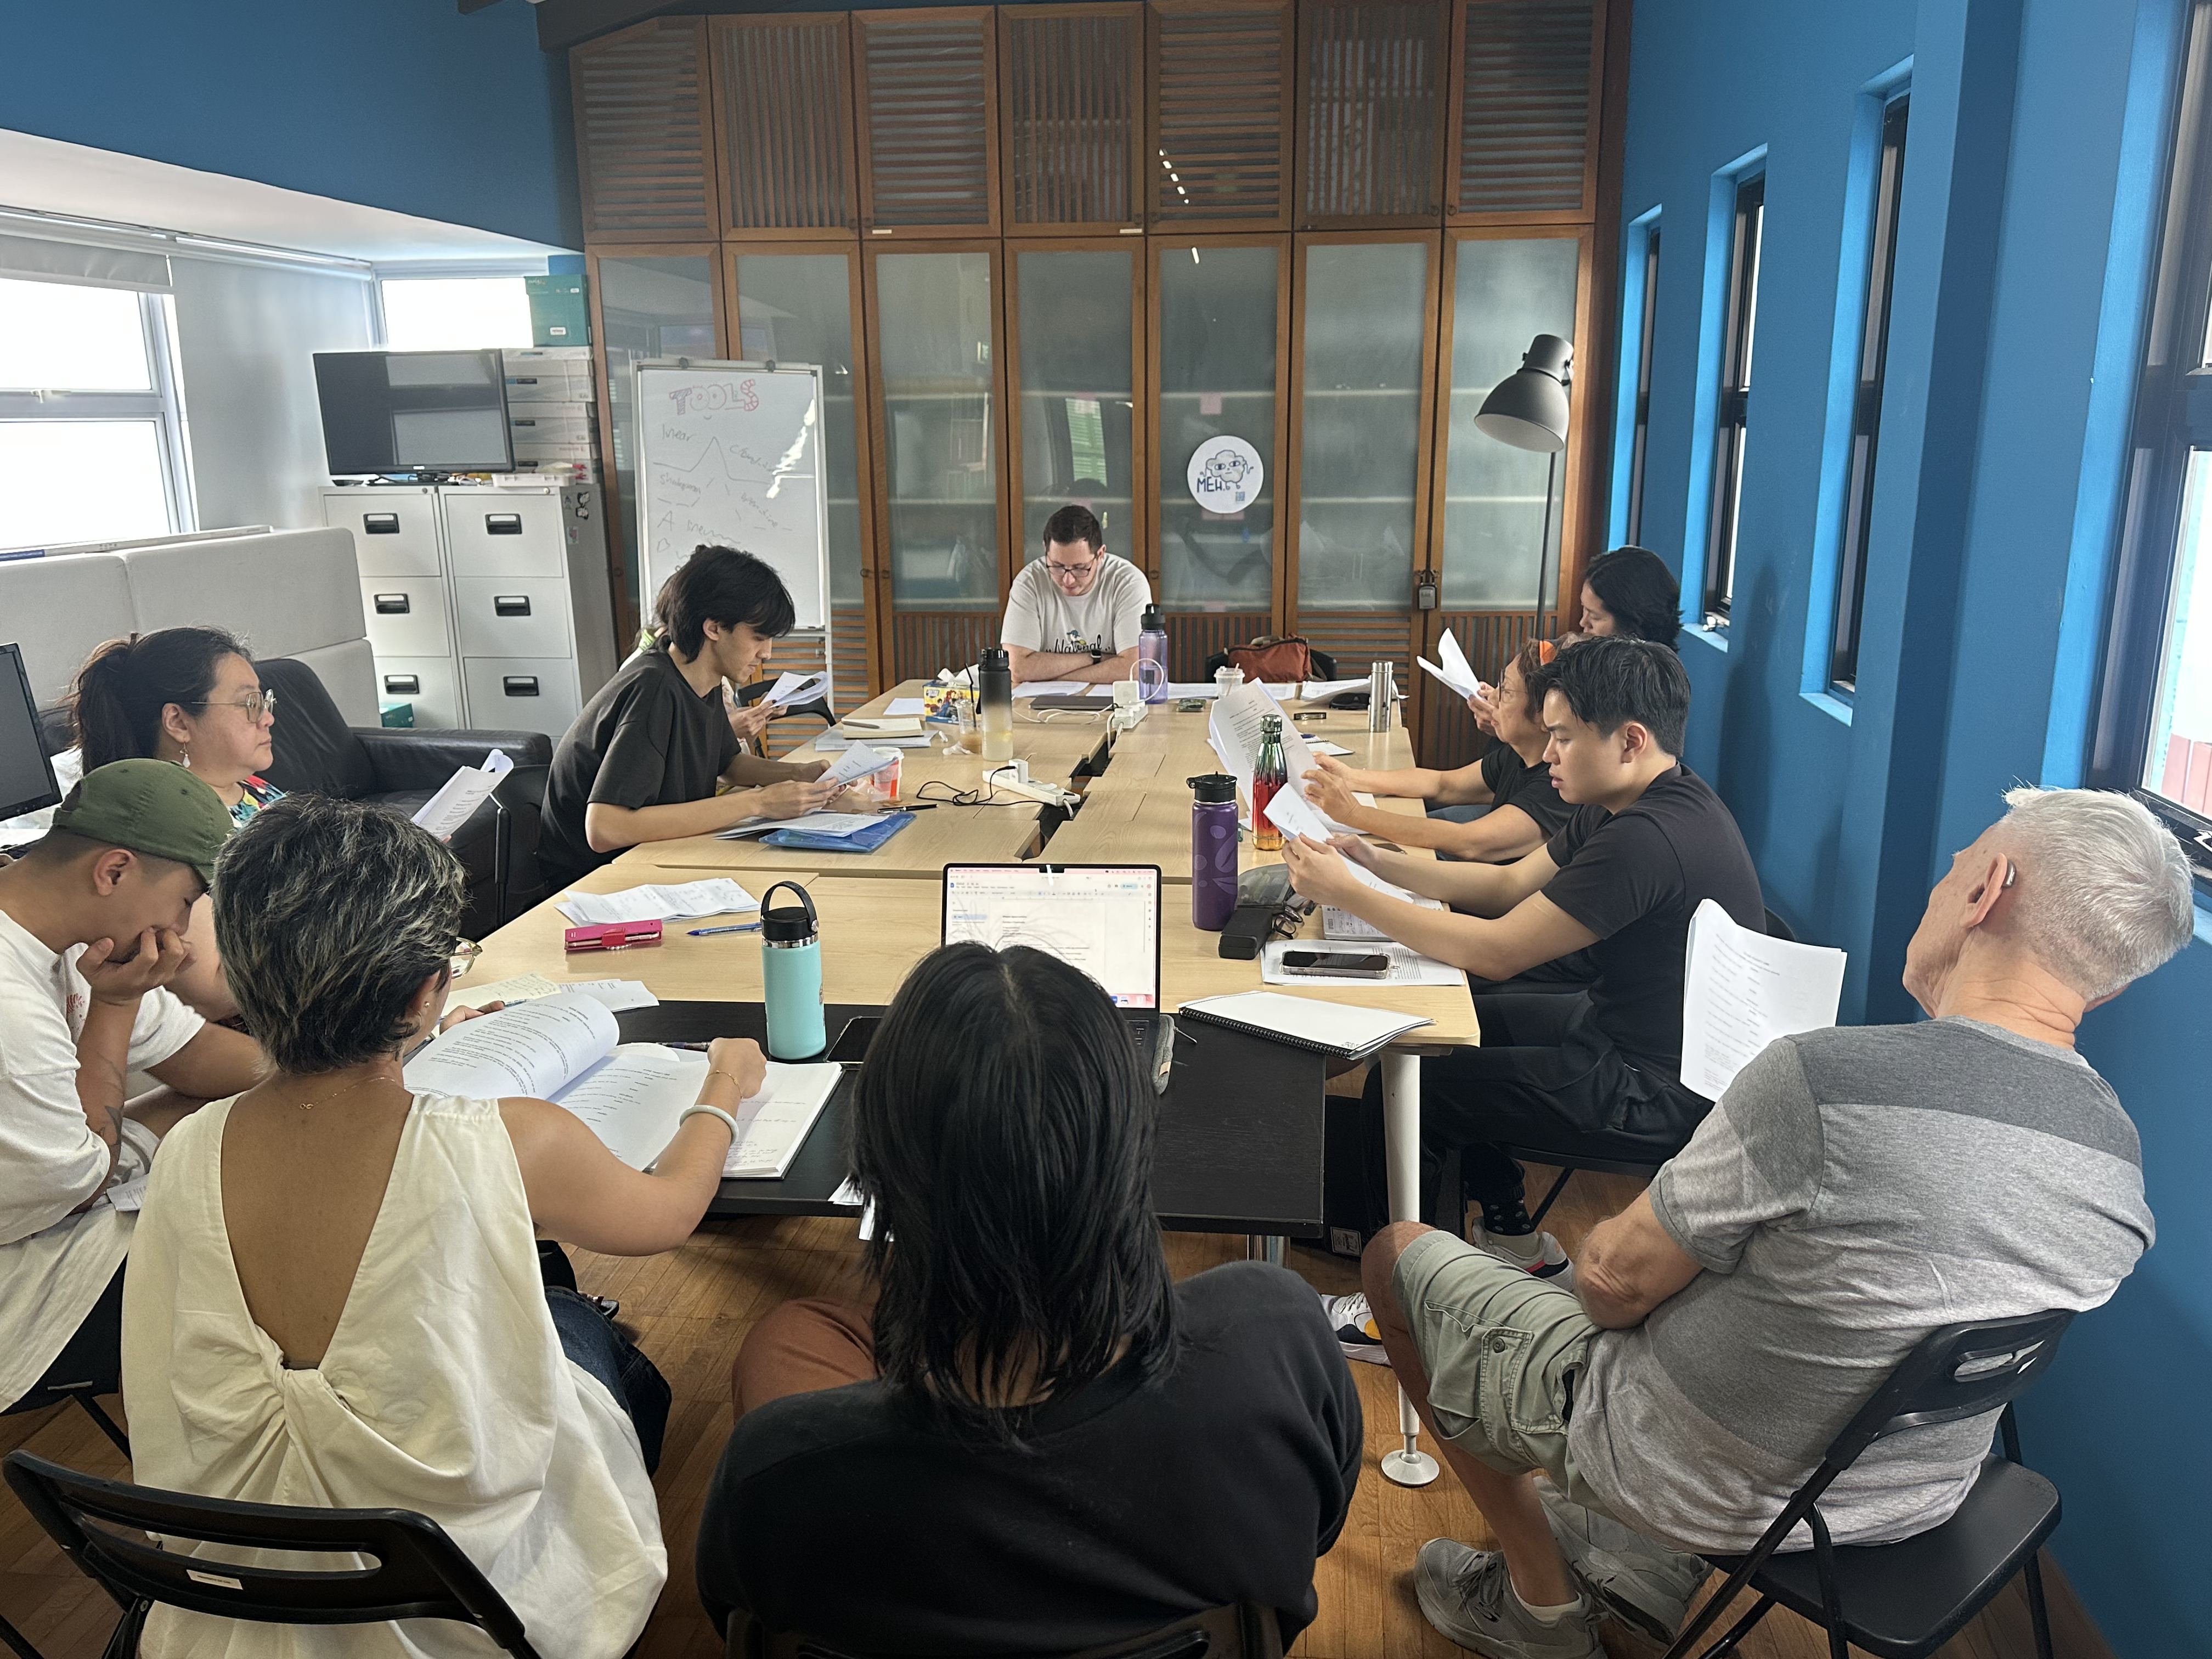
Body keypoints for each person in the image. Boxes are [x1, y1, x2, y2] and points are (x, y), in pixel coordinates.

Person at [1355, 786, 2193, 1659]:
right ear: (2116, 977)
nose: (1943, 885)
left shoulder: (1822, 1080)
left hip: (1697, 1478)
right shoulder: (2118, 1161)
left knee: (1398, 1255)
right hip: (1909, 1497)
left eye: (1956, 867)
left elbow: (1610, 1289)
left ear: (1990, 888)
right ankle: (1638, 1564)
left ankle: (1537, 1604)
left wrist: (1618, 1255)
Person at [121, 793, 766, 1658]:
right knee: (577, 1328)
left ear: (239, 971)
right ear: (428, 989)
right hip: (467, 1591)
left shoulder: (189, 1149)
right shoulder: (511, 1137)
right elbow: (670, 1214)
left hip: (245, 1572)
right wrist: (723, 1085)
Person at [695, 943, 1361, 1652]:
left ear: (882, 1173)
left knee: (791, 1335)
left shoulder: (777, 1469)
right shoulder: (1278, 1334)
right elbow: (1315, 1528)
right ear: (1130, 1146)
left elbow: (739, 1614)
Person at [1282, 637, 1763, 1279]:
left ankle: (1409, 1298)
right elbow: (1507, 886)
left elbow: (1500, 950)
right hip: (1616, 1029)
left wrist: (1349, 896)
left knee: (1418, 1083)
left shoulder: (1645, 841)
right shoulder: (1642, 798)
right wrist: (1372, 862)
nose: (1550, 752)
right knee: (1444, 1031)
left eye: (1564, 737)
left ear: (1631, 740)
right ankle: (1505, 1240)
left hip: (1654, 1088)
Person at [0, 760, 262, 1421]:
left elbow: (197, 1057)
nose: (182, 927)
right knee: (287, 1244)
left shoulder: (65, 937)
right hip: (20, 1299)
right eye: (187, 900)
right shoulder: (11, 1006)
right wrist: (114, 1009)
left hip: (47, 1199)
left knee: (241, 1115)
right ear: (113, 872)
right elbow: (82, 1181)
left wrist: (366, 1060)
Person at [539, 545, 847, 890]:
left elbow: (726, 762)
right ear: (714, 628)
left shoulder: (702, 677)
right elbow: (606, 828)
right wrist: (758, 801)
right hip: (592, 884)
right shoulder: (655, 689)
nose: (767, 653)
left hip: (649, 863)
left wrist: (798, 774)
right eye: (758, 637)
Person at [68, 627, 285, 1018]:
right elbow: (215, 988)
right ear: (178, 722)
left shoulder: (251, 789)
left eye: (264, 701)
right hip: (270, 1024)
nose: (267, 718)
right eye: (249, 704)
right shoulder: (162, 828)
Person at [1302, 638, 1574, 863]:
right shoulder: (1518, 753)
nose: (1491, 696)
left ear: (1544, 713)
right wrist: (1351, 777)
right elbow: (1443, 784)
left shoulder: (1555, 785)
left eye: (1507, 692)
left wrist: (1353, 814)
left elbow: (1469, 842)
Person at [1465, 547, 1679, 735]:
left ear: (1632, 625)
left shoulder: (1642, 690)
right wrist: (1506, 700)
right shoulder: (1577, 653)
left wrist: (1512, 727)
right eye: (1584, 610)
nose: (1583, 622)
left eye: (1595, 617)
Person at [1000, 503, 1154, 686]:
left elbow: (1135, 669)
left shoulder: (1128, 582)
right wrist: (1095, 658)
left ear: (1100, 554)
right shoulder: (1029, 583)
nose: (1068, 580)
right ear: (1046, 550)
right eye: (1056, 566)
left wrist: (1053, 678)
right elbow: (1017, 668)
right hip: (1040, 706)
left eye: (1080, 568)